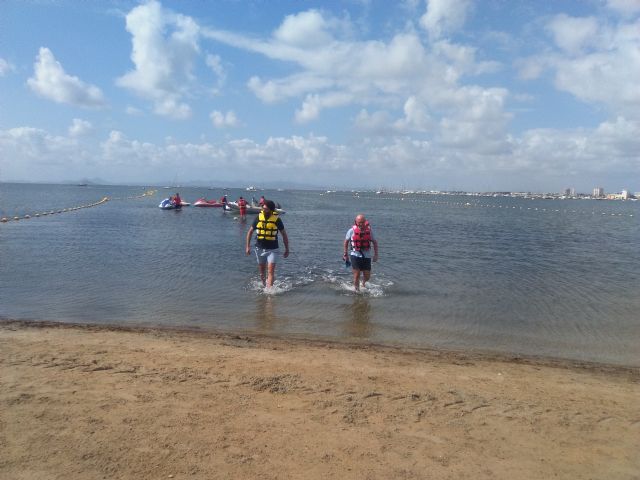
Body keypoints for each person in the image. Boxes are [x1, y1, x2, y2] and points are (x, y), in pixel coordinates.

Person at [246, 200, 289, 288]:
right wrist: (247, 246)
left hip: (273, 249)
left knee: (270, 272)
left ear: (271, 210)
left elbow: (284, 234)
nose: (264, 210)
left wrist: (287, 249)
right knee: (262, 273)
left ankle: (269, 293)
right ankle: (264, 286)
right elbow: (250, 232)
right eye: (263, 208)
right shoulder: (258, 217)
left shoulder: (277, 219)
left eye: (266, 209)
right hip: (259, 248)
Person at [344, 214, 379, 291]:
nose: (361, 224)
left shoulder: (369, 231)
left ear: (365, 222)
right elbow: (346, 242)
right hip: (355, 255)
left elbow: (375, 242)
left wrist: (376, 255)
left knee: (367, 276)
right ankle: (357, 292)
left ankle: (363, 283)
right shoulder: (351, 231)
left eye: (363, 222)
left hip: (366, 256)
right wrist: (345, 254)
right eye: (359, 222)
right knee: (357, 275)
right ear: (356, 222)